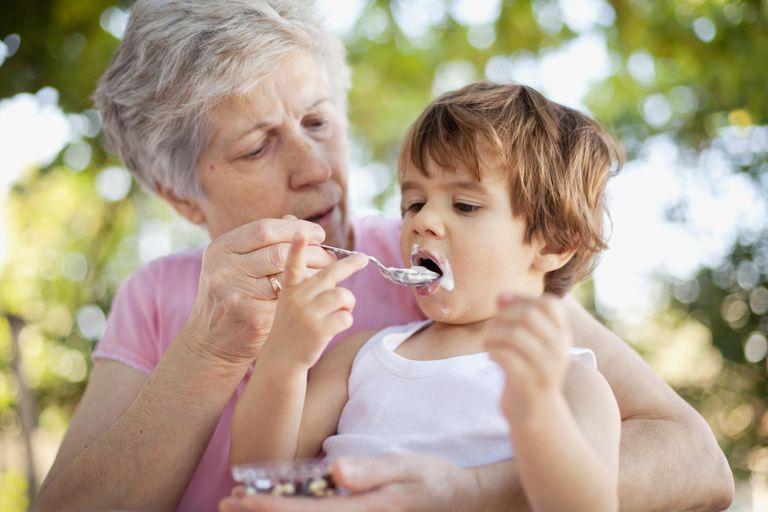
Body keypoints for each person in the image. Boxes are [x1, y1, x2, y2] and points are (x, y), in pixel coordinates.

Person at [32, 1, 733, 511]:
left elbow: (694, 460)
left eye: (316, 121)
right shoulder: (156, 298)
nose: (316, 168)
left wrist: (469, 492)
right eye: (257, 145)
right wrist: (213, 353)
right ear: (182, 196)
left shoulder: (472, 280)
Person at [229, 82, 622, 512]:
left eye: (465, 205)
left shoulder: (569, 382)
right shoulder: (361, 356)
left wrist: (540, 412)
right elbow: (260, 472)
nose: (424, 221)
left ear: (553, 242)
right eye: (414, 204)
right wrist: (284, 359)